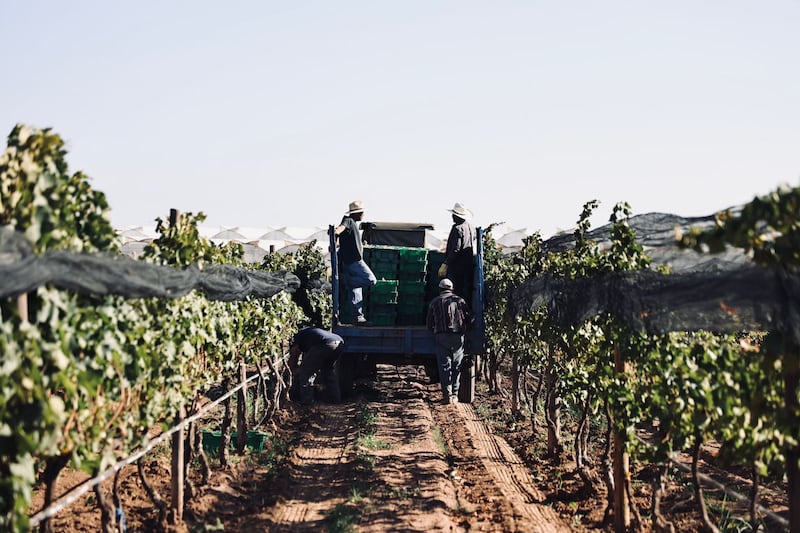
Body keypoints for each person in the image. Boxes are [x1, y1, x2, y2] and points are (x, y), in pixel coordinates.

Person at [426, 278, 473, 405]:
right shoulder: (460, 301)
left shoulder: (434, 302)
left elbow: (429, 324)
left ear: (440, 289)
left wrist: (435, 331)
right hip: (457, 337)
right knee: (456, 365)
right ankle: (455, 394)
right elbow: (469, 319)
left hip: (442, 337)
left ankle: (447, 394)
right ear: (451, 288)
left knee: (444, 366)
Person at [335, 200, 377, 323]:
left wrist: (337, 242)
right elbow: (340, 229)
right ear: (356, 213)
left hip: (350, 260)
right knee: (371, 279)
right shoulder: (348, 220)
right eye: (361, 212)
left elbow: (341, 237)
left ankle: (358, 316)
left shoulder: (352, 223)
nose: (363, 214)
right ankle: (346, 281)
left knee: (356, 289)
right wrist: (336, 232)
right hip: (354, 260)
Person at [288, 326, 345, 405]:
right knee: (327, 370)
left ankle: (306, 402)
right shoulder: (309, 333)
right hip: (339, 342)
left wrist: (293, 368)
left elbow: (294, 353)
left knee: (306, 372)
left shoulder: (297, 335)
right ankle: (335, 399)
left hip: (324, 344)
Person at [438, 202, 476, 306]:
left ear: (457, 216)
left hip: (457, 266)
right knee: (465, 293)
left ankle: (455, 314)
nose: (452, 216)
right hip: (468, 265)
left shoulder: (457, 228)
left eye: (454, 214)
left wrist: (446, 263)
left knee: (455, 292)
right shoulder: (471, 228)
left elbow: (456, 248)